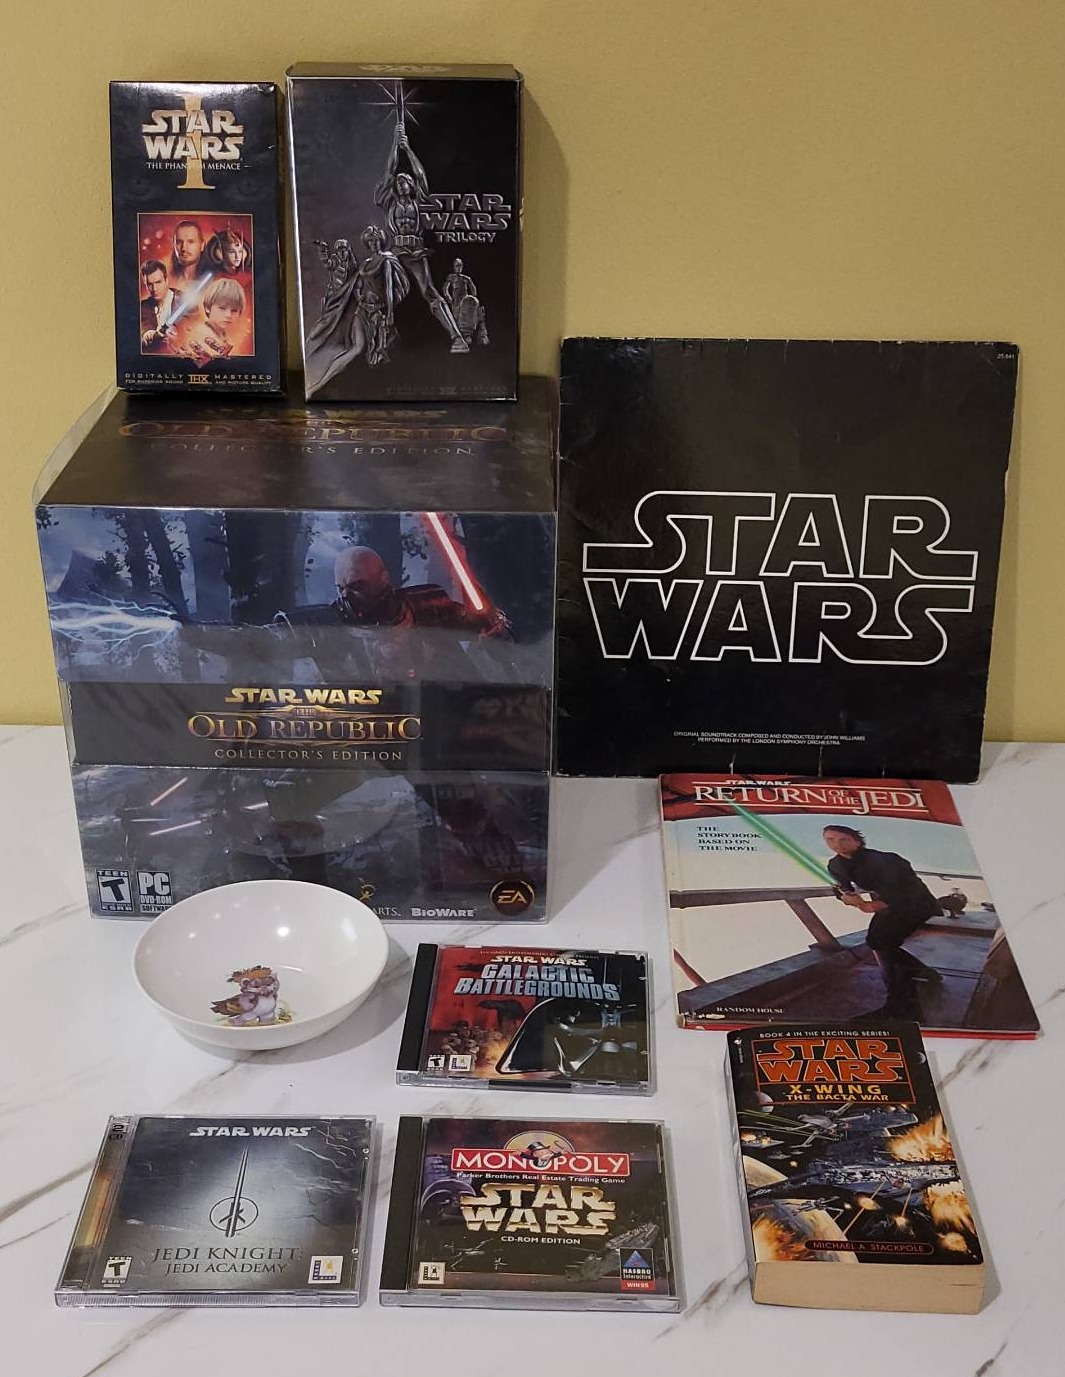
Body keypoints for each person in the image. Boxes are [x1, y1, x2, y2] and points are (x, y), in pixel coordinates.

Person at [823, 824, 944, 1017]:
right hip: (890, 906)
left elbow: (909, 888)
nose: (837, 844)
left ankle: (901, 1006)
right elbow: (841, 888)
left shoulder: (886, 859)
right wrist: (845, 897)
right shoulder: (835, 865)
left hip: (917, 903)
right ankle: (922, 974)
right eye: (830, 839)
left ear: (857, 841)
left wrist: (877, 904)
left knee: (880, 940)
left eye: (843, 839)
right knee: (880, 941)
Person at [374, 119, 469, 353]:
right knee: (383, 290)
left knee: (430, 292)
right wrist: (395, 144)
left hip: (416, 252)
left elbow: (420, 174)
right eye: (399, 182)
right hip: (396, 252)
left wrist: (407, 149)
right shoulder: (389, 203)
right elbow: (388, 173)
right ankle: (381, 339)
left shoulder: (418, 202)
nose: (401, 183)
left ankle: (457, 337)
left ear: (411, 185)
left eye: (405, 181)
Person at [181, 277, 248, 363]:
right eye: (222, 308)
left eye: (234, 310)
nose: (228, 315)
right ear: (208, 308)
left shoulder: (226, 338)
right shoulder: (199, 336)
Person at [444, 257, 489, 347]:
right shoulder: (451, 278)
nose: (458, 268)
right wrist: (448, 297)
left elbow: (472, 286)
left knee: (466, 317)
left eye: (460, 266)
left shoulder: (466, 278)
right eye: (457, 266)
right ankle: (458, 337)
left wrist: (473, 298)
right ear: (454, 267)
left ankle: (468, 335)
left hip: (465, 301)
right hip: (456, 301)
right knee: (456, 317)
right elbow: (445, 288)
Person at [139, 260, 181, 353]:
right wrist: (149, 334)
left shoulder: (183, 300)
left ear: (167, 280)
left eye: (158, 282)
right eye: (149, 284)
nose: (154, 289)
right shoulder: (143, 307)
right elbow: (143, 327)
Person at [169, 220, 210, 286]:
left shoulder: (214, 281)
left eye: (190, 242)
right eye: (179, 242)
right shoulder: (166, 280)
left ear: (202, 245)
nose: (184, 248)